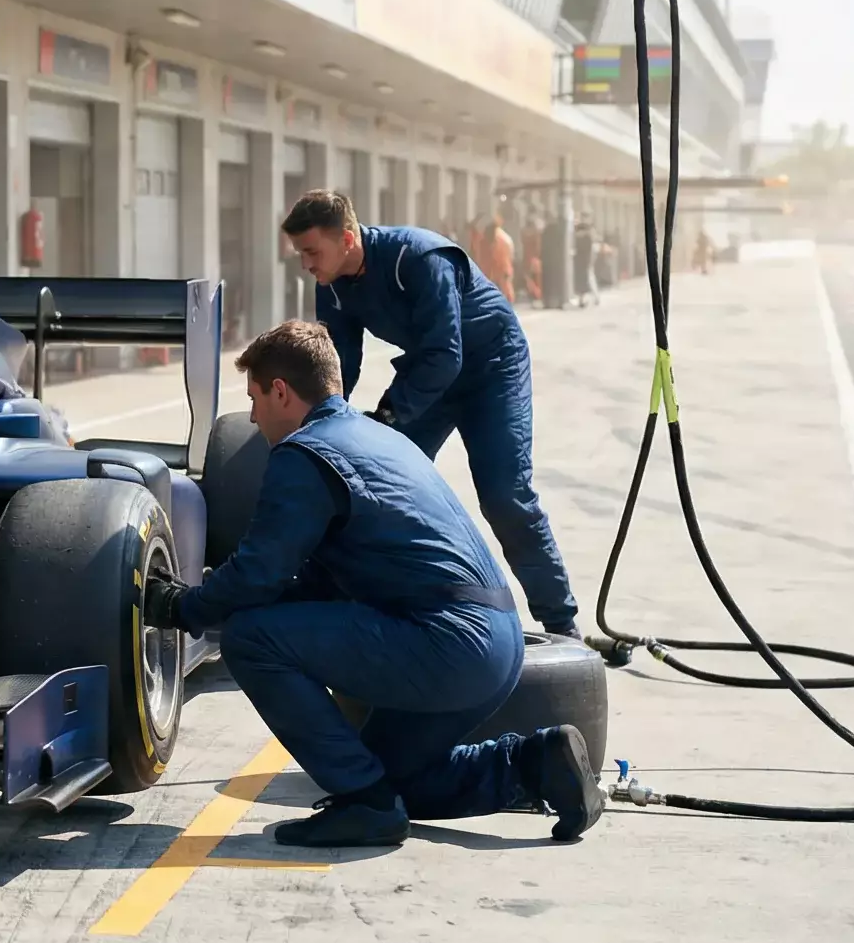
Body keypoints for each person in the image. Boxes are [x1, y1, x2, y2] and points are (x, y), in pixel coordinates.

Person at [143, 321, 601, 848]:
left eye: (254, 399)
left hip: (446, 642)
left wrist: (182, 606)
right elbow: (312, 581)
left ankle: (363, 804)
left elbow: (258, 573)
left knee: (250, 638)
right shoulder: (377, 438)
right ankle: (540, 764)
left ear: (281, 392)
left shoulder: (304, 455)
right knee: (397, 780)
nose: (251, 417)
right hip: (499, 641)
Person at [281, 189, 580, 636]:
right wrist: (325, 422)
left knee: (504, 496)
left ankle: (561, 622)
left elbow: (447, 353)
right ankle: (359, 601)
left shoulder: (417, 258)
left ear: (345, 239)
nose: (305, 263)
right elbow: (340, 362)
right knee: (373, 486)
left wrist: (388, 416)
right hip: (430, 371)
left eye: (311, 251)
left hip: (489, 368)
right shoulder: (333, 285)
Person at [475, 213, 518, 301]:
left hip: (493, 271)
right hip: (500, 270)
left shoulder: (485, 239)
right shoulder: (504, 238)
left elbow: (480, 256)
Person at [572, 215, 599, 307]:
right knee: (587, 279)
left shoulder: (584, 237)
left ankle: (589, 299)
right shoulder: (588, 236)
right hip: (585, 262)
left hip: (583, 262)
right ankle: (591, 298)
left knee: (586, 280)